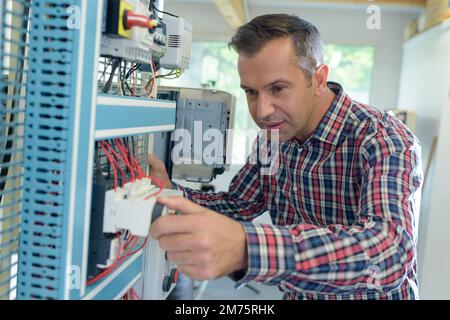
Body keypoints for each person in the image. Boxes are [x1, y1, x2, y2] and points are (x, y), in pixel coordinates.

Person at [148, 13, 423, 300]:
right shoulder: (272, 138)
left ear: (318, 79)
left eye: (278, 89)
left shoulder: (383, 138)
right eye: (251, 92)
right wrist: (170, 193)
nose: (263, 111)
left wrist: (246, 249)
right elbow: (238, 204)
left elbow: (389, 253)